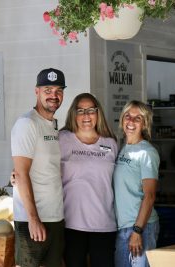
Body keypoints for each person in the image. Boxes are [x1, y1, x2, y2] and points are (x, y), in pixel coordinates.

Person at [11, 68, 66, 267]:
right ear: (37, 91)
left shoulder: (53, 125)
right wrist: (33, 218)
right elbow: (21, 173)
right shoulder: (27, 123)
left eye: (58, 90)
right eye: (48, 89)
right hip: (32, 221)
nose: (54, 95)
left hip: (55, 217)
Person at [59, 93, 118, 267]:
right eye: (81, 111)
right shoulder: (62, 139)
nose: (86, 115)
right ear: (73, 114)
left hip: (104, 223)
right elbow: (43, 166)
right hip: (71, 223)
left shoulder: (111, 143)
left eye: (91, 110)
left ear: (98, 113)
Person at [113, 100, 160, 267]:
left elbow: (150, 195)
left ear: (145, 123)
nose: (131, 122)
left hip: (140, 227)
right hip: (124, 228)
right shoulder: (122, 148)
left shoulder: (147, 152)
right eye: (128, 116)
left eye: (137, 118)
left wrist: (137, 231)